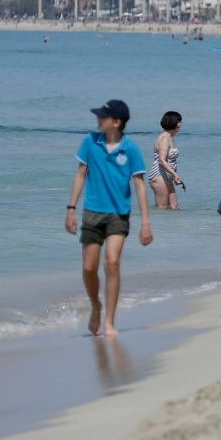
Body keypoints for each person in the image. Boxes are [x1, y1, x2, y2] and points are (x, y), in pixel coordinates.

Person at [65, 99, 153, 338]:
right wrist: (71, 209)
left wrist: (146, 222)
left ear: (116, 122)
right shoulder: (90, 142)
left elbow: (140, 186)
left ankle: (110, 322)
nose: (98, 119)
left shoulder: (131, 149)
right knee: (88, 267)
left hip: (118, 215)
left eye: (103, 116)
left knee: (112, 263)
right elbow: (80, 175)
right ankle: (96, 306)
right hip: (92, 213)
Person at [145, 111, 184, 210]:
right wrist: (175, 175)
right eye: (178, 121)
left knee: (175, 207)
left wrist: (173, 176)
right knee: (163, 208)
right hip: (158, 175)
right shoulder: (164, 138)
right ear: (172, 122)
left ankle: (171, 226)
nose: (180, 124)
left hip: (167, 176)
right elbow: (161, 160)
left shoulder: (170, 137)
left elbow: (170, 161)